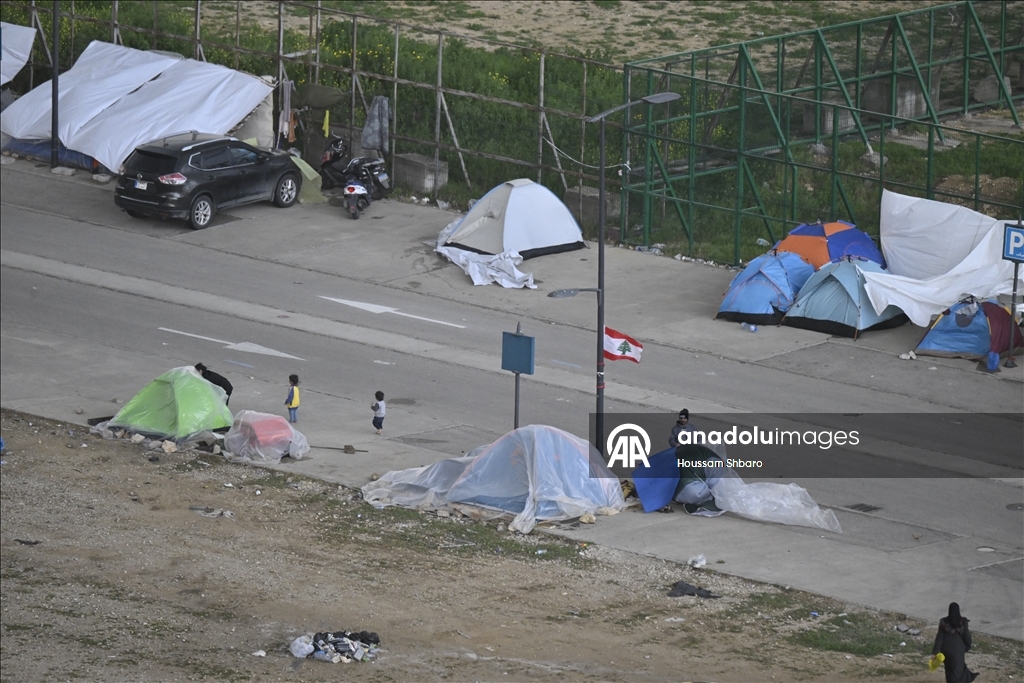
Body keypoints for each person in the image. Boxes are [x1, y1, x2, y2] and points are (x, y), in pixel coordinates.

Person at [931, 602, 979, 683]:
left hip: (946, 651)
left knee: (949, 670)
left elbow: (939, 638)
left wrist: (935, 652)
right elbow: (967, 635)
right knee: (957, 673)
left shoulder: (944, 622)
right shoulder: (962, 622)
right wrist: (967, 646)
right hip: (958, 651)